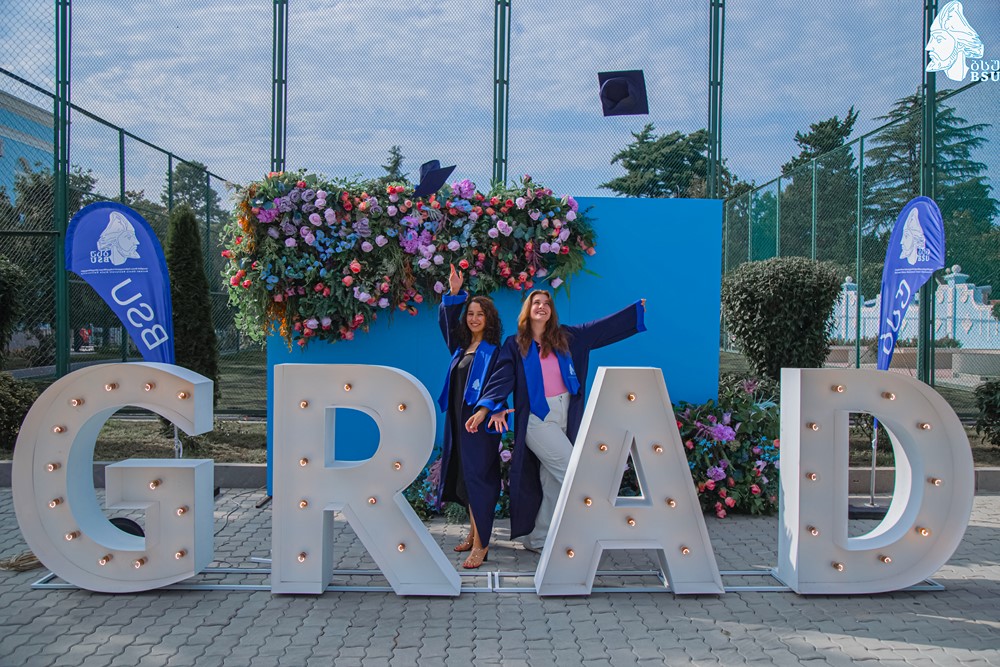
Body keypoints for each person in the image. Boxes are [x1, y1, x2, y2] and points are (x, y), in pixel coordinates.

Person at [466, 290, 646, 552]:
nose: (542, 306)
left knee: (552, 483)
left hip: (566, 414)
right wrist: (486, 409)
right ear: (528, 310)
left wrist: (634, 312)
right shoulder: (515, 344)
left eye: (547, 303)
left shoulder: (566, 337)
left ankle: (538, 539)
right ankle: (603, 526)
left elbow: (600, 328)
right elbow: (502, 377)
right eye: (536, 303)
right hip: (538, 418)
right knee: (574, 473)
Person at [436, 264, 505, 569]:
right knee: (464, 476)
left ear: (489, 319)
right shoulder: (461, 347)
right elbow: (447, 323)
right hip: (458, 422)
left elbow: (501, 383)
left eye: (480, 314)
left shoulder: (495, 351)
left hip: (480, 424)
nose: (474, 318)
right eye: (471, 313)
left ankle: (482, 544)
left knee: (479, 478)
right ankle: (474, 532)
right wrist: (454, 293)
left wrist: (490, 409)